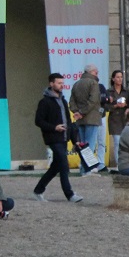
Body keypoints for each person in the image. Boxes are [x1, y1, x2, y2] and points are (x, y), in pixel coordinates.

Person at [33, 72, 82, 203]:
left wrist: (75, 140)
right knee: (64, 165)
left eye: (62, 83)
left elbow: (68, 122)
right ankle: (70, 194)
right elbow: (38, 121)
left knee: (56, 167)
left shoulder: (63, 101)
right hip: (53, 139)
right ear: (51, 84)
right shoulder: (44, 102)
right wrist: (54, 127)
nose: (62, 85)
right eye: (59, 83)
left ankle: (38, 190)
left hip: (64, 138)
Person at [69, 65, 104, 171]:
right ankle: (87, 170)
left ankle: (83, 169)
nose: (97, 74)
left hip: (80, 120)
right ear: (92, 72)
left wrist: (76, 112)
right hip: (91, 118)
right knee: (89, 145)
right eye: (96, 72)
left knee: (82, 144)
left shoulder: (76, 84)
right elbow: (93, 101)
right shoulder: (93, 83)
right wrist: (82, 112)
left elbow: (71, 101)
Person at [104, 69, 129, 169]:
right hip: (114, 119)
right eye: (117, 77)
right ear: (113, 79)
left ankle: (126, 162)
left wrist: (126, 106)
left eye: (121, 77)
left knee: (126, 142)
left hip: (125, 118)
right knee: (117, 141)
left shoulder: (127, 91)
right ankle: (119, 164)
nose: (120, 79)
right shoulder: (108, 92)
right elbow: (105, 106)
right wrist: (115, 106)